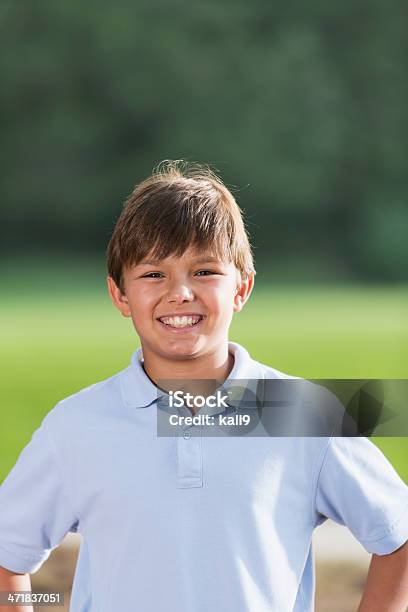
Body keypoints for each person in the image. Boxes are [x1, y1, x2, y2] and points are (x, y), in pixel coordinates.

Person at [0, 161, 407, 612]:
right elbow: (7, 557)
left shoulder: (304, 412)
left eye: (205, 272)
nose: (180, 293)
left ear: (242, 288)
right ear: (120, 294)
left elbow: (399, 537)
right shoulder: (75, 426)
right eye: (153, 274)